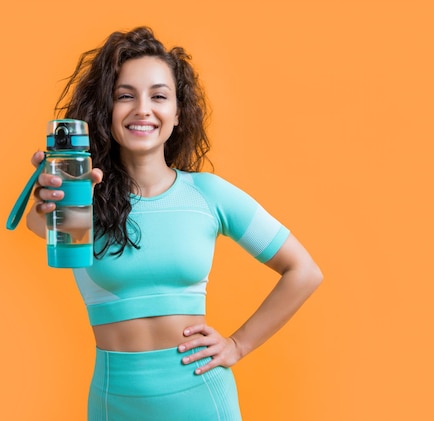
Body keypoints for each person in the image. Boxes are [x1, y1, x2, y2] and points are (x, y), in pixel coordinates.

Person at [25, 26, 322, 421]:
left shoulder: (207, 195)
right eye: (124, 95)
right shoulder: (84, 197)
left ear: (178, 113)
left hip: (203, 400)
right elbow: (41, 225)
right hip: (115, 407)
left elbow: (304, 271)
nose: (142, 109)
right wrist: (50, 201)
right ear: (105, 111)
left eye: (159, 96)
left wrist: (238, 344)